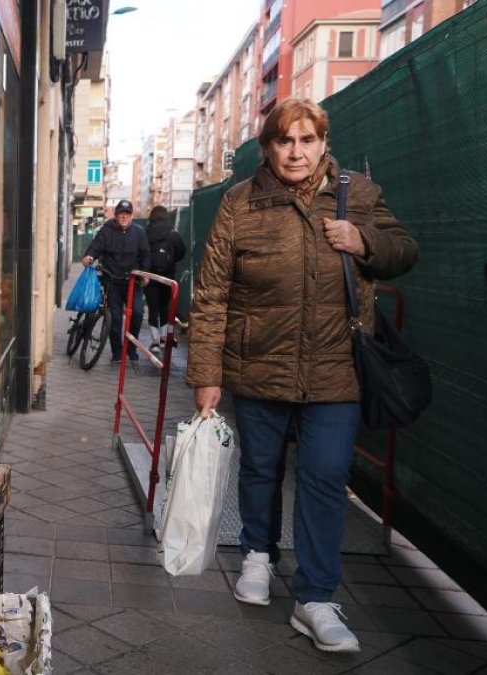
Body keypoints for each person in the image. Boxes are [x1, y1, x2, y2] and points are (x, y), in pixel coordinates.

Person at [187, 98, 418, 654]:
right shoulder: (240, 203)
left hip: (336, 366)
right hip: (258, 361)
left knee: (324, 474)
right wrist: (206, 373)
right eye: (284, 141)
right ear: (267, 147)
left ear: (323, 143)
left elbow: (404, 249)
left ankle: (315, 598)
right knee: (261, 467)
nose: (296, 152)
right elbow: (212, 292)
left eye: (307, 140)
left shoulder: (357, 194)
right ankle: (258, 557)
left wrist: (363, 242)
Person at [81, 199, 150, 363]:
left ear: (132, 216)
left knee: (138, 313)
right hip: (112, 281)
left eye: (127, 214)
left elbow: (146, 255)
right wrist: (90, 256)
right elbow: (96, 245)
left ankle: (131, 348)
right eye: (121, 214)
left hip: (133, 282)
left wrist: (145, 274)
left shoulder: (139, 232)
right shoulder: (107, 230)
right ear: (116, 215)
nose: (124, 217)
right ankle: (117, 352)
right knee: (115, 318)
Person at [143, 205, 186, 351]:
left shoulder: (146, 233)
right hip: (168, 276)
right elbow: (181, 251)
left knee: (153, 308)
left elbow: (141, 252)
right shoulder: (172, 233)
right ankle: (163, 339)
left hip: (150, 276)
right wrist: (172, 259)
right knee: (165, 307)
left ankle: (154, 341)